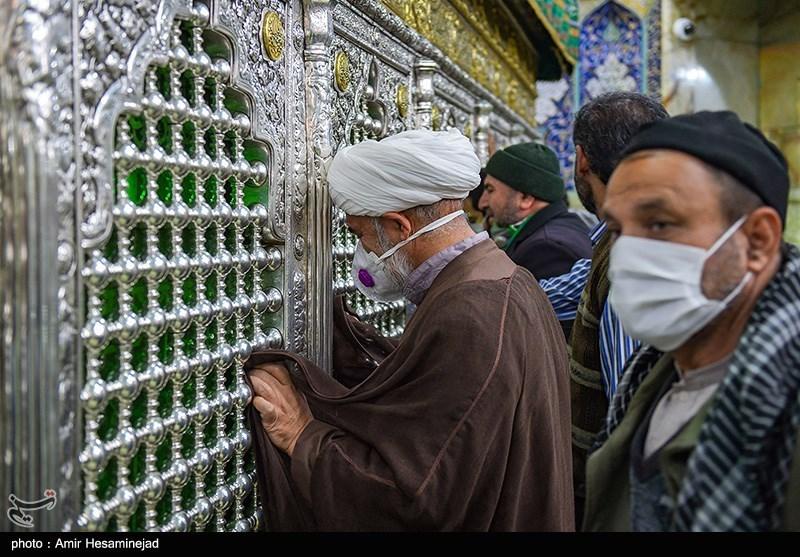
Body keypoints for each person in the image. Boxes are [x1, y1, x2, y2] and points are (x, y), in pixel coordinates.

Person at [246, 128, 574, 531]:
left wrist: (301, 435)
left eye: (361, 234)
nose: (365, 251)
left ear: (399, 226)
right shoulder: (505, 278)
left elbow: (418, 499)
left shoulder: (471, 311)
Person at [583, 110, 800, 531]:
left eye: (660, 223)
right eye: (617, 229)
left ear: (756, 242)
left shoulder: (784, 403)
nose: (628, 254)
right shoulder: (653, 372)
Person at [537, 92, 669, 524]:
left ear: (581, 160)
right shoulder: (617, 240)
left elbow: (631, 423)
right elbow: (556, 293)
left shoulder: (632, 257)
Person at [479, 142, 592, 282]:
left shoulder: (547, 249)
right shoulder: (565, 225)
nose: (482, 202)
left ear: (526, 198)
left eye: (490, 190)